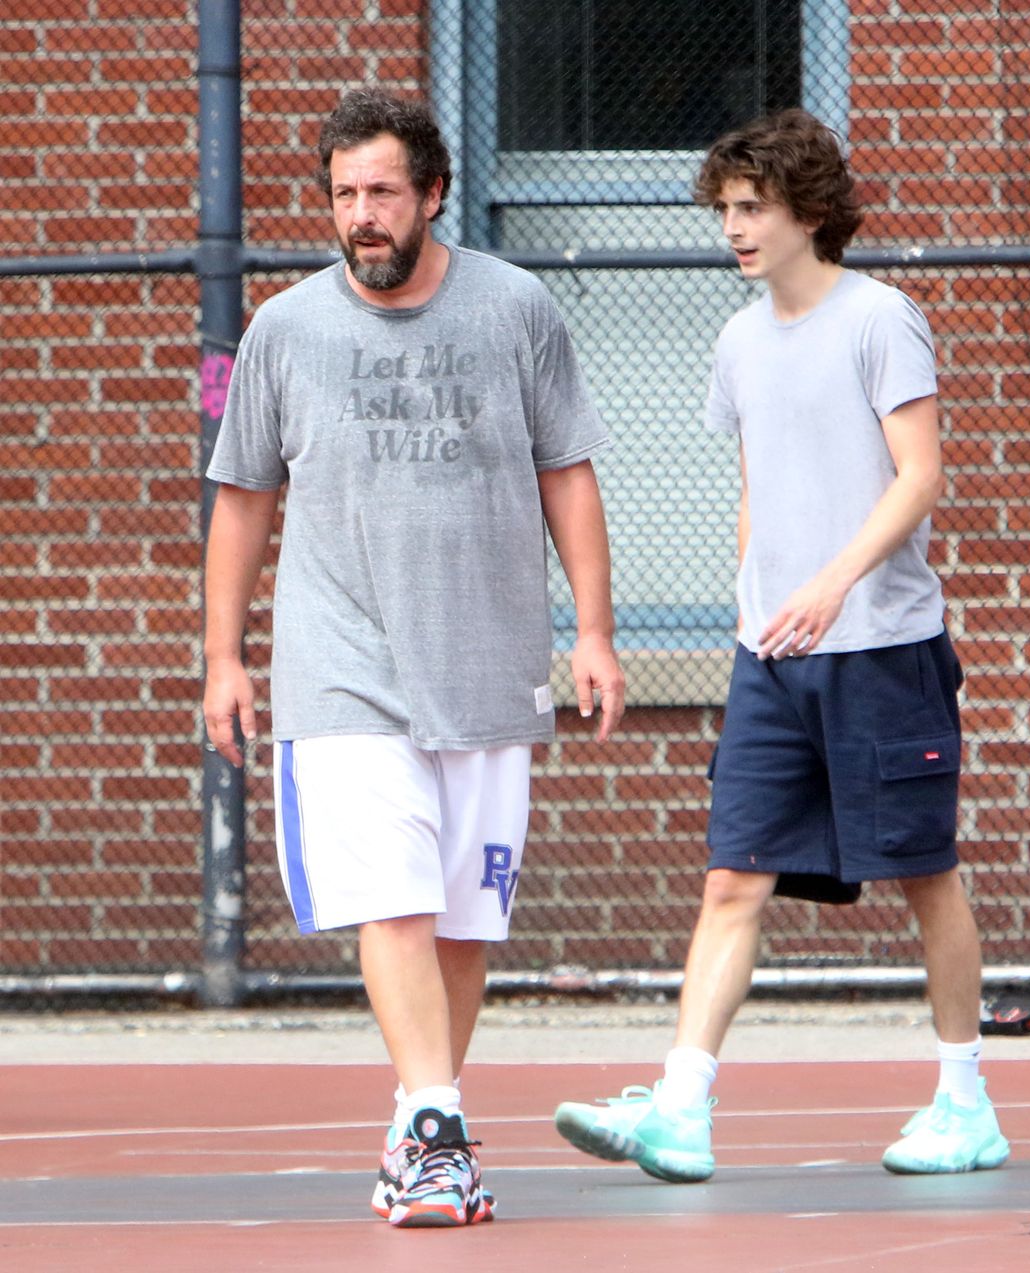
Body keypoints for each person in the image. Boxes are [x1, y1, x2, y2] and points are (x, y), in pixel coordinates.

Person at [553, 108, 1008, 1180]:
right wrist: (755, 613)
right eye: (724, 211)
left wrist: (832, 585)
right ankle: (680, 1108)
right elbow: (758, 482)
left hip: (884, 651)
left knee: (927, 875)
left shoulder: (880, 319)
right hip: (774, 661)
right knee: (731, 880)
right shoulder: (738, 340)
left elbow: (919, 475)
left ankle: (964, 1100)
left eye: (751, 209)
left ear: (809, 209)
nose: (734, 229)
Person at [202, 86, 625, 1228]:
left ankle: (413, 1123)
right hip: (340, 667)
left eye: (384, 191)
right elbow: (242, 499)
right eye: (344, 194)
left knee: (460, 924)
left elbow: (567, 473)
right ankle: (440, 1131)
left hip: (486, 662)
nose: (363, 214)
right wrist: (224, 657)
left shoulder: (517, 308)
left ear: (433, 195)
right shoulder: (284, 330)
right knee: (390, 900)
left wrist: (593, 631)